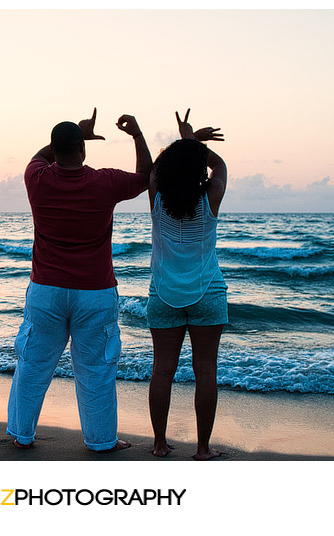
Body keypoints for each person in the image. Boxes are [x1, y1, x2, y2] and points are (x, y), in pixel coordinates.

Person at [7, 108, 152, 452]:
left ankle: (21, 434)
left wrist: (75, 135)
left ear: (54, 150)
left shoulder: (36, 178)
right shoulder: (104, 182)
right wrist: (136, 134)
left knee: (33, 364)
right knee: (96, 370)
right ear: (83, 150)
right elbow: (146, 176)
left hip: (46, 290)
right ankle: (101, 441)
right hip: (95, 292)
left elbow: (38, 157)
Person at [147, 109, 227, 460]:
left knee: (162, 371)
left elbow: (155, 169)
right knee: (205, 371)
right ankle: (203, 449)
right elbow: (220, 166)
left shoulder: (157, 199)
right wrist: (193, 141)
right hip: (207, 291)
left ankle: (160, 444)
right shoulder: (210, 198)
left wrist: (184, 143)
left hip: (163, 294)